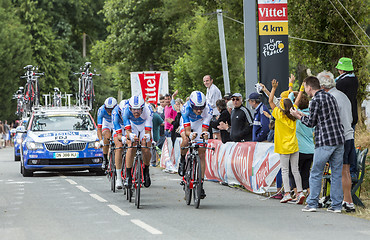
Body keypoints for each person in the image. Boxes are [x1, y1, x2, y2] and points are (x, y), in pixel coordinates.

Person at [290, 76, 345, 213]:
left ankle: (312, 203)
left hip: (325, 140)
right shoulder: (330, 96)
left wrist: (298, 116)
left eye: (305, 88)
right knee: (336, 173)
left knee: (315, 172)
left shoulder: (315, 100)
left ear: (309, 87)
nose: (305, 91)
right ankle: (337, 205)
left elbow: (311, 123)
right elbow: (322, 117)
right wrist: (303, 114)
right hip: (338, 139)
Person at [317, 70, 356, 212]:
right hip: (349, 135)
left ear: (322, 86)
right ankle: (348, 201)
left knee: (339, 171)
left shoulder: (331, 98)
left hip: (340, 138)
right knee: (345, 171)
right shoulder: (342, 95)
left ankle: (342, 201)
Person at [268, 79, 305, 204]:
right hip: (294, 145)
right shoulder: (294, 112)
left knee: (285, 170)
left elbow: (270, 101)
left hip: (283, 147)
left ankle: (288, 193)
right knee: (295, 170)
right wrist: (301, 90)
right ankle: (300, 192)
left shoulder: (278, 114)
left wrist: (273, 88)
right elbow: (298, 100)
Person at [177, 91, 213, 199]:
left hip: (200, 123)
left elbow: (204, 129)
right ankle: (182, 159)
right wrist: (190, 134)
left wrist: (204, 135)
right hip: (187, 122)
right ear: (191, 105)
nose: (198, 110)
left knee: (202, 152)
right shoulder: (185, 108)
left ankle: (200, 185)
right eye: (196, 108)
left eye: (201, 108)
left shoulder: (208, 109)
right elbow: (187, 130)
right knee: (186, 139)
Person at [335, 57, 359, 179]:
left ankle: (348, 169)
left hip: (344, 116)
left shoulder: (341, 82)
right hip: (353, 115)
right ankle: (353, 170)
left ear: (341, 69)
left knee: (345, 145)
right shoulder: (354, 79)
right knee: (351, 142)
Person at [122, 95, 153, 188]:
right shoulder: (125, 111)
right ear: (130, 108)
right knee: (131, 146)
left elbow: (148, 132)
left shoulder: (148, 110)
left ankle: (146, 169)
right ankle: (128, 175)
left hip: (144, 126)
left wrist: (147, 137)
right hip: (133, 126)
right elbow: (127, 131)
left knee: (145, 146)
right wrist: (130, 135)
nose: (136, 112)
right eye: (134, 109)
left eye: (139, 109)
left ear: (142, 108)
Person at [288, 91, 314, 199]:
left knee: (293, 171)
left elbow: (289, 102)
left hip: (300, 149)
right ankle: (309, 192)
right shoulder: (311, 115)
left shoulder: (296, 114)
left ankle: (297, 193)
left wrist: (293, 92)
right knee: (305, 173)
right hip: (311, 150)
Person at [97, 97, 118, 170]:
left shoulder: (119, 110)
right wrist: (100, 140)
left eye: (111, 110)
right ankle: (105, 159)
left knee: (117, 139)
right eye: (107, 110)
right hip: (107, 123)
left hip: (116, 122)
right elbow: (99, 128)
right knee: (107, 136)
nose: (109, 112)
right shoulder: (101, 110)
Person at [112, 100, 128, 189]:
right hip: (119, 127)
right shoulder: (115, 112)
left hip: (129, 126)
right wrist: (121, 137)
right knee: (119, 147)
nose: (122, 115)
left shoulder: (130, 110)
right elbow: (116, 127)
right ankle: (118, 177)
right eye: (121, 113)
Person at [203, 75, 222, 139]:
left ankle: (217, 146)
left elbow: (213, 103)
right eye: (204, 81)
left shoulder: (214, 89)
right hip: (211, 113)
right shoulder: (208, 89)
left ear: (211, 80)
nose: (206, 82)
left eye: (207, 81)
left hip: (215, 113)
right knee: (211, 132)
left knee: (216, 132)